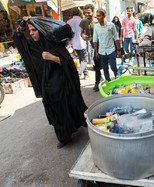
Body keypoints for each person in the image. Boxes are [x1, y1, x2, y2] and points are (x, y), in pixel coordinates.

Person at [13, 16, 88, 149]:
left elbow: (69, 64)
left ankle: (67, 134)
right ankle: (63, 135)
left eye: (34, 30)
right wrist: (23, 26)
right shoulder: (32, 45)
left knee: (65, 107)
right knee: (53, 109)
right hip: (46, 85)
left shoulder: (53, 44)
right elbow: (19, 38)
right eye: (29, 31)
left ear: (41, 30)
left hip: (61, 84)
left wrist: (53, 58)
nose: (31, 33)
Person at [93, 9, 121, 81]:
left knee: (113, 67)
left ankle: (117, 79)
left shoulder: (111, 25)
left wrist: (118, 49)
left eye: (99, 16)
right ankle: (108, 83)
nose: (97, 18)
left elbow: (116, 37)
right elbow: (95, 40)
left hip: (111, 50)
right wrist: (96, 52)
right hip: (101, 52)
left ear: (104, 16)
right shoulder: (96, 27)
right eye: (96, 16)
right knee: (105, 69)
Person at [79, 4, 102, 92]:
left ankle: (103, 78)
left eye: (88, 13)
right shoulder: (83, 22)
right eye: (85, 13)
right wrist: (83, 36)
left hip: (102, 46)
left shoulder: (98, 21)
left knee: (102, 64)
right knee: (96, 64)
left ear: (93, 12)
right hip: (92, 46)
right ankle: (97, 83)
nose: (87, 14)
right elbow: (81, 33)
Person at [67, 8, 89, 79]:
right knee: (84, 59)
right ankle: (78, 74)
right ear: (79, 13)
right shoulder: (82, 21)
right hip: (82, 42)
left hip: (74, 43)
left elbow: (68, 33)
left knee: (81, 59)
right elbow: (86, 32)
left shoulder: (69, 22)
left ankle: (86, 73)